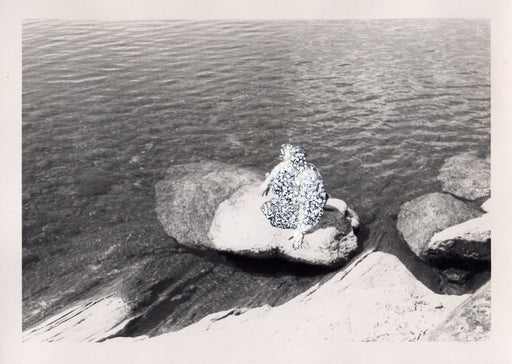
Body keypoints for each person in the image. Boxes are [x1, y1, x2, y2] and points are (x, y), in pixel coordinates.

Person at [260, 144, 327, 249]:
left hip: (310, 202)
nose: (283, 162)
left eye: (287, 160)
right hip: (304, 196)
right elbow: (279, 167)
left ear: (294, 162)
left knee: (279, 216)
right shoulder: (293, 165)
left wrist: (299, 232)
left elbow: (304, 205)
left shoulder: (307, 176)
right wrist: (267, 183)